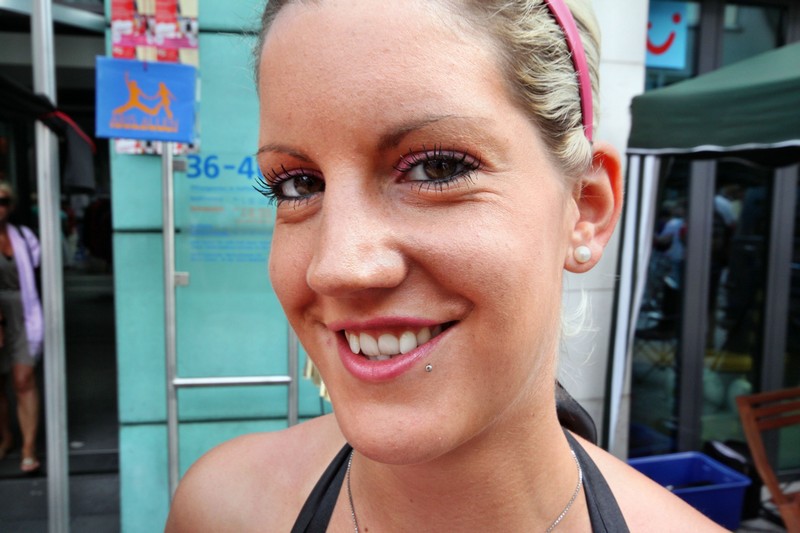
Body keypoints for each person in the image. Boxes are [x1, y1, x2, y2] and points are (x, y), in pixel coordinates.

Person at [166, 1, 724, 530]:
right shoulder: (221, 511)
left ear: (586, 209)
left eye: (436, 168)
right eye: (299, 184)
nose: (337, 267)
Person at [0, 182, 43, 474]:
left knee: (23, 378)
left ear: (11, 205)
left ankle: (28, 447)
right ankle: (6, 437)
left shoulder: (25, 237)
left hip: (24, 312)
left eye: (3, 201)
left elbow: (40, 273)